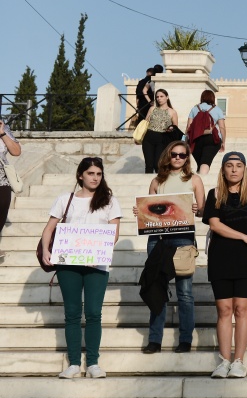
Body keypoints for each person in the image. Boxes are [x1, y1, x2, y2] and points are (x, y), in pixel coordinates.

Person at [39, 157, 122, 379]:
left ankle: (93, 362)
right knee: (72, 313)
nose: (95, 177)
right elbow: (49, 228)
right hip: (68, 264)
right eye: (91, 173)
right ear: (80, 175)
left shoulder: (110, 201)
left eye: (99, 173)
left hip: (97, 264)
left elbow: (114, 233)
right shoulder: (65, 199)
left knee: (94, 313)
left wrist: (100, 252)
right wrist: (46, 250)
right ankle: (74, 362)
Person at [134, 141, 205, 355]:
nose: (177, 158)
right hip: (158, 238)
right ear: (168, 155)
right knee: (157, 289)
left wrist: (197, 209)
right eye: (174, 154)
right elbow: (150, 210)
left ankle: (185, 339)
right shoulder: (157, 181)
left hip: (183, 237)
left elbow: (202, 211)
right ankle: (155, 339)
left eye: (182, 155)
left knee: (185, 293)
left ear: (187, 158)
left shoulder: (195, 180)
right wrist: (141, 212)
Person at [203, 152, 247, 378]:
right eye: (229, 165)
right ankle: (224, 360)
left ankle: (239, 360)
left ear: (244, 169)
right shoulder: (215, 194)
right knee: (224, 310)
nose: (234, 169)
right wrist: (243, 236)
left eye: (239, 165)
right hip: (221, 258)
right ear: (223, 170)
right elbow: (215, 225)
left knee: (242, 309)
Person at [186, 90, 226, 176]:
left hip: (196, 138)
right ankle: (202, 181)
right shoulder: (217, 109)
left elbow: (189, 126)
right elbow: (222, 127)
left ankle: (197, 182)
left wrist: (187, 140)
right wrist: (223, 142)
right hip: (212, 138)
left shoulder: (195, 108)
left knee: (200, 163)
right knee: (205, 162)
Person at [141, 89, 179, 174]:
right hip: (148, 137)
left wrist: (171, 129)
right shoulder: (152, 109)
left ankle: (159, 185)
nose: (159, 98)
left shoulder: (172, 112)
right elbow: (145, 123)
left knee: (158, 164)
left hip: (162, 139)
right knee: (149, 165)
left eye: (161, 96)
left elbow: (176, 128)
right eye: (157, 97)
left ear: (167, 97)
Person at [0, 120, 22, 260]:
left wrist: (2, 133)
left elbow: (16, 151)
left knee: (2, 208)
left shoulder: (4, 128)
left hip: (2, 179)